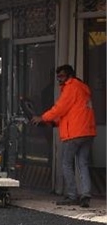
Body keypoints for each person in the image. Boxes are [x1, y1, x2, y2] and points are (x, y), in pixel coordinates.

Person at [31, 65, 96, 208]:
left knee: (66, 163)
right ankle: (85, 195)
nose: (59, 79)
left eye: (61, 76)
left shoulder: (71, 87)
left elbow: (60, 108)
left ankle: (72, 195)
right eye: (58, 77)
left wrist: (43, 118)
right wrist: (55, 122)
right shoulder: (83, 89)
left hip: (74, 133)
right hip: (87, 131)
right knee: (82, 164)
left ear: (69, 76)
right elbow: (73, 112)